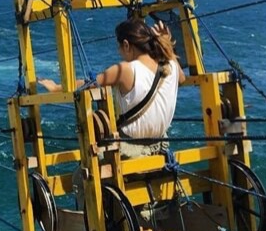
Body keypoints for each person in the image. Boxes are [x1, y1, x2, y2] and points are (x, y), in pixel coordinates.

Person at [39, 18, 185, 154]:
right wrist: (167, 46)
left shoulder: (126, 69)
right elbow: (182, 79)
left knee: (79, 175)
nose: (119, 52)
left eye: (119, 47)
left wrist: (56, 88)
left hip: (130, 149)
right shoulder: (171, 65)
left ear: (126, 45)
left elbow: (89, 84)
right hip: (160, 147)